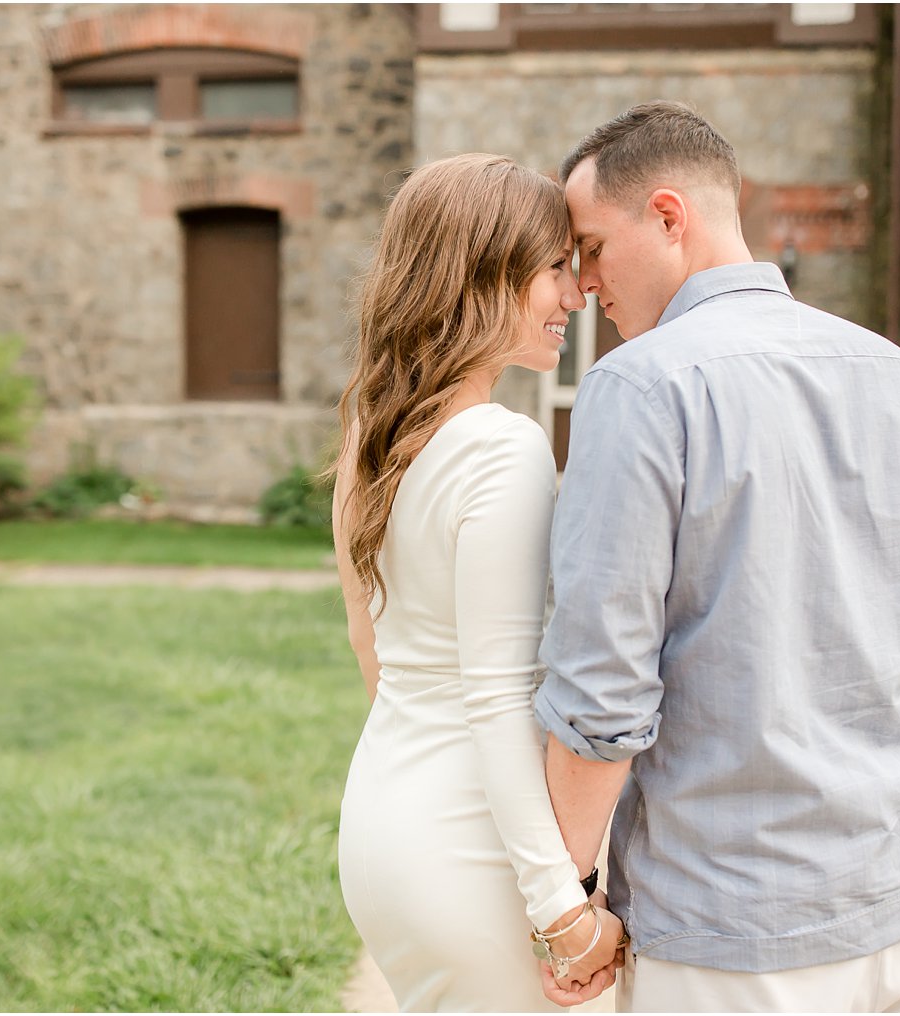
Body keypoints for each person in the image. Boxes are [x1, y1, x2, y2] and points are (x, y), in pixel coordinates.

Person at [533, 101, 900, 1012]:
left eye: (589, 246)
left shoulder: (640, 386)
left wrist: (565, 900)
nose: (584, 285)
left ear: (669, 216)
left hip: (730, 931)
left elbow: (603, 696)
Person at [333, 153, 626, 1012]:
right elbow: (499, 701)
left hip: (386, 823)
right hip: (471, 849)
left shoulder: (371, 435)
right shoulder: (503, 449)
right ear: (482, 273)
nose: (574, 297)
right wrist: (560, 911)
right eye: (552, 269)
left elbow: (370, 642)